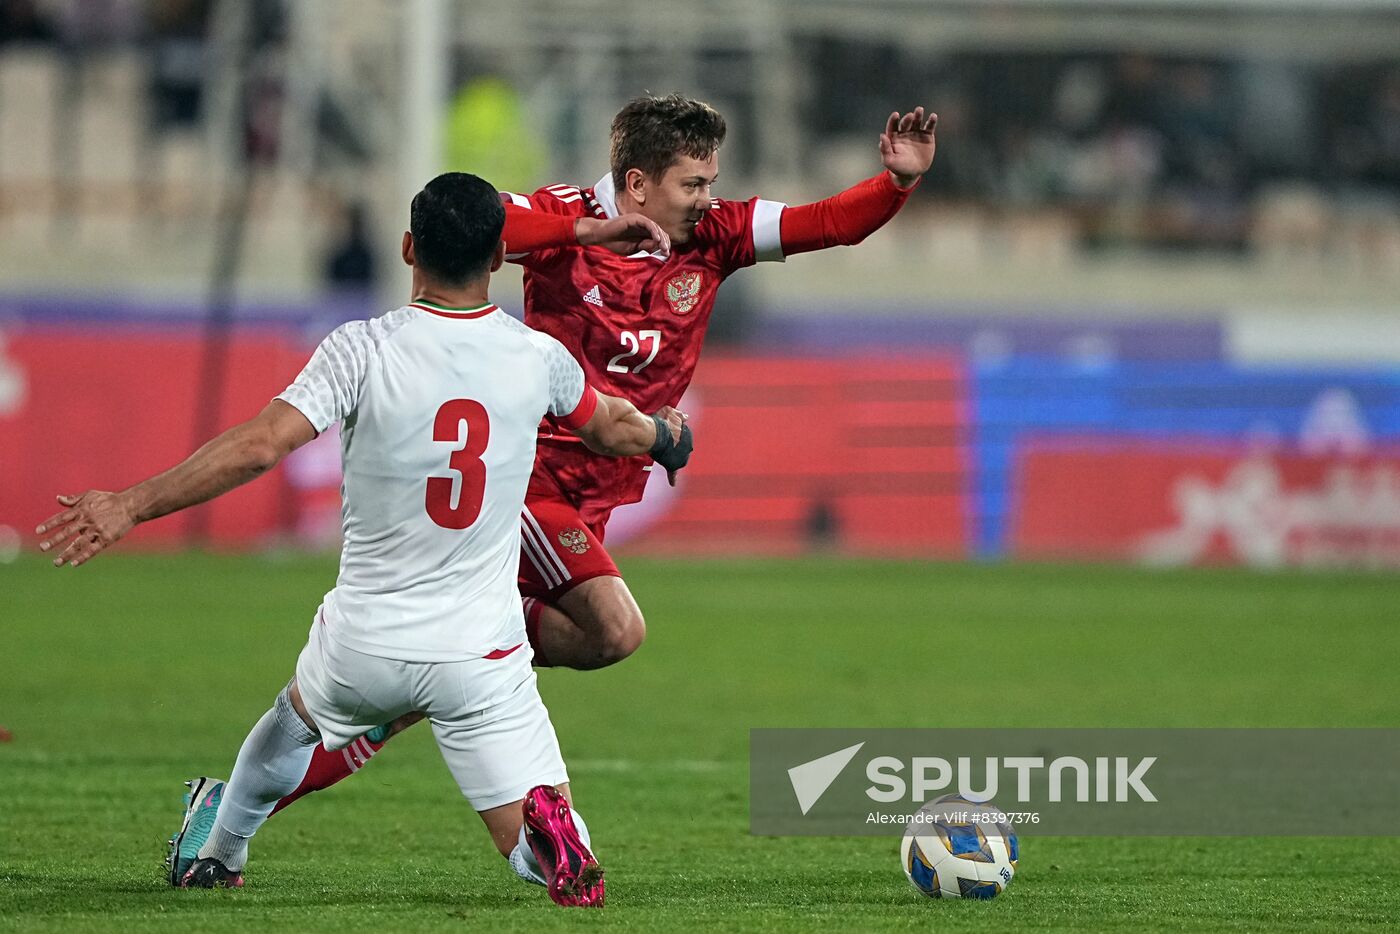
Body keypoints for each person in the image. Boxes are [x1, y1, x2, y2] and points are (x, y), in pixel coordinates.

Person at [170, 93, 936, 865]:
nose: (707, 199)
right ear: (637, 185)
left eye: (711, 182)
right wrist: (584, 231)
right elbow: (478, 219)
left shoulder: (717, 236)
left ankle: (256, 789)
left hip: (601, 492)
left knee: (442, 687)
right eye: (692, 184)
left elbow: (827, 223)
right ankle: (458, 664)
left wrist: (895, 182)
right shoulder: (562, 217)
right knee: (614, 629)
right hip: (536, 480)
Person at [37, 172, 691, 906]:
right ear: (501, 257)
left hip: (363, 646)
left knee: (291, 723)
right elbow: (610, 427)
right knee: (547, 850)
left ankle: (219, 849)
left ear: (409, 248)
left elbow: (259, 447)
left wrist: (129, 504)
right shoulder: (536, 357)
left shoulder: (361, 349)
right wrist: (664, 433)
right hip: (483, 655)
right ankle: (551, 842)